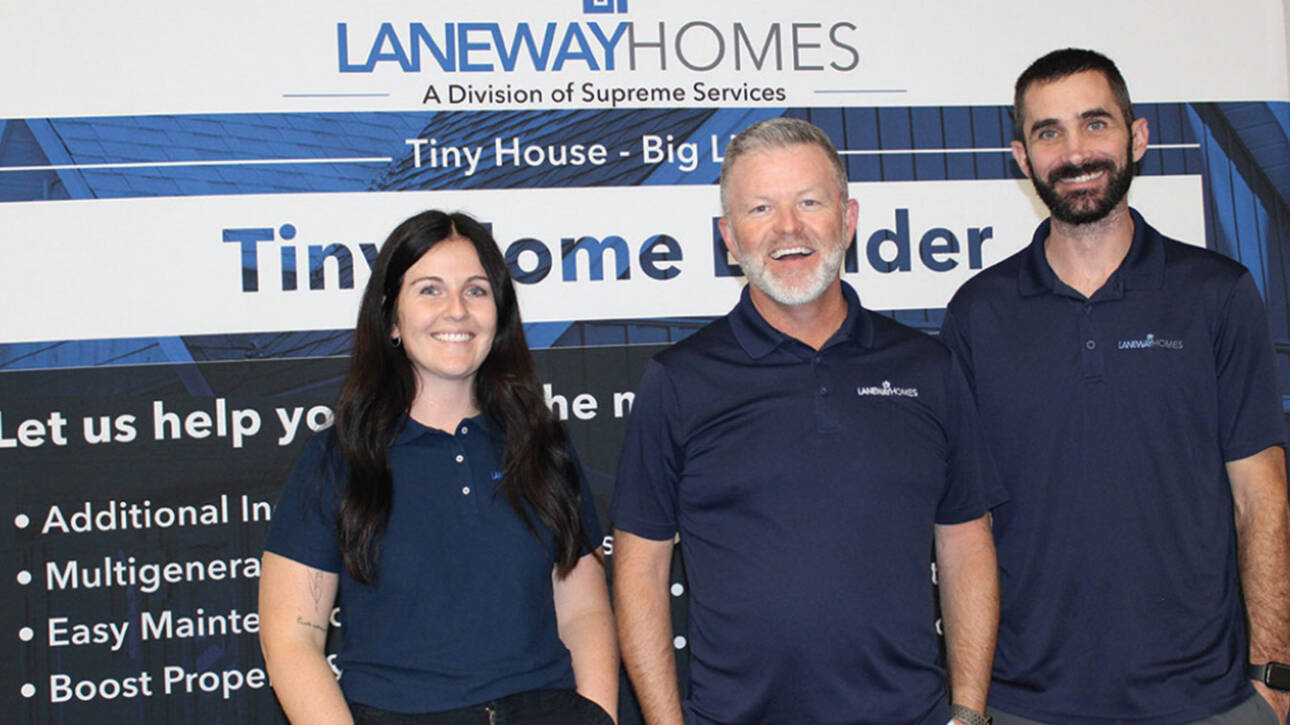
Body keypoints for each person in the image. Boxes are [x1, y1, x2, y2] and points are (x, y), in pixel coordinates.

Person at [611, 117, 1006, 725]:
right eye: (761, 208)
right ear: (729, 237)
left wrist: (970, 712)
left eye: (810, 202)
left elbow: (965, 541)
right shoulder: (679, 380)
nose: (787, 228)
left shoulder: (929, 367)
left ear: (847, 220)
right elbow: (640, 567)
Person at [939, 48, 1290, 725]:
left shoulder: (1217, 295)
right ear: (1022, 157)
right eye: (1049, 132)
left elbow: (1263, 497)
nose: (1075, 152)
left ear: (1138, 137)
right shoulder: (978, 313)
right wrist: (971, 702)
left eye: (1095, 124)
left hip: (1208, 705)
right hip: (1022, 705)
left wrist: (1272, 678)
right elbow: (963, 526)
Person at [258, 210, 618, 724]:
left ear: (499, 313)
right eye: (429, 290)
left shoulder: (545, 447)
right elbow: (291, 641)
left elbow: (583, 611)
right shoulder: (339, 460)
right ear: (390, 318)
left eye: (476, 291)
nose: (456, 311)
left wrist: (598, 716)